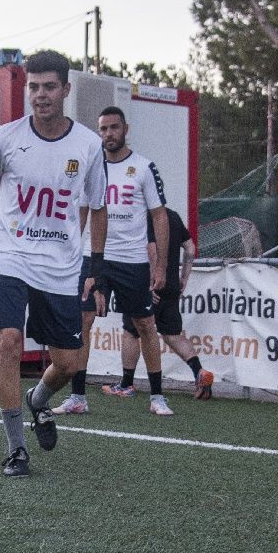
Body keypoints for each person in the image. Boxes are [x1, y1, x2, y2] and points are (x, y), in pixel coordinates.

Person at [0, 50, 107, 477]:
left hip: (61, 266)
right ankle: (16, 448)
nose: (40, 95)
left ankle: (38, 399)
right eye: (33, 87)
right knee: (9, 340)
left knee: (69, 362)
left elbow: (98, 207)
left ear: (65, 90)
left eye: (49, 86)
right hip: (10, 255)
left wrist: (96, 269)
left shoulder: (88, 145)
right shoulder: (7, 137)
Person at [56, 107, 171, 416]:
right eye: (103, 129)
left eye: (113, 127)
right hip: (94, 258)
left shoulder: (144, 167)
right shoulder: (91, 168)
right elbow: (81, 211)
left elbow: (159, 215)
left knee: (145, 324)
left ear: (125, 129)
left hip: (132, 260)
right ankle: (78, 396)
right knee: (83, 321)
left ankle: (157, 396)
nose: (108, 134)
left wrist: (160, 265)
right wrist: (70, 251)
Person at [100, 206, 216, 402]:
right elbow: (190, 248)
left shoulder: (144, 215)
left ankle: (126, 384)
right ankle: (199, 371)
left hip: (149, 286)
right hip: (171, 285)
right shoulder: (172, 215)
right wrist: (184, 278)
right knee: (172, 335)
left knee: (131, 331)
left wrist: (150, 283)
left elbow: (151, 250)